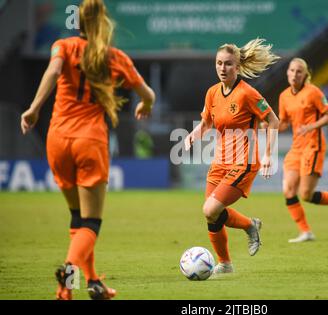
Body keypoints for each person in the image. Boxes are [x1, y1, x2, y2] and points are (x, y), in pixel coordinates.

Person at [20, 0, 155, 299]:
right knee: (91, 223)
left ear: (78, 23)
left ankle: (87, 284)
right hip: (90, 141)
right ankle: (69, 269)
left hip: (57, 139)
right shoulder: (115, 57)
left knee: (77, 219)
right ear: (103, 23)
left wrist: (33, 109)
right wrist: (146, 104)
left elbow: (54, 71)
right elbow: (147, 93)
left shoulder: (63, 46)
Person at [185, 38, 280, 274]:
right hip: (220, 161)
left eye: (228, 64)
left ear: (237, 67)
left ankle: (249, 226)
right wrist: (193, 135)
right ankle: (225, 264)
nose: (222, 68)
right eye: (219, 63)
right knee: (211, 215)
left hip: (244, 162)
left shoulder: (247, 93)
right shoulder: (212, 93)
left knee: (210, 209)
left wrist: (268, 154)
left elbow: (273, 120)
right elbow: (207, 122)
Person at [278, 58, 328, 243]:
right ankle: (305, 231)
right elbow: (284, 123)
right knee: (288, 190)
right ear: (287, 72)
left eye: (299, 71)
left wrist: (312, 126)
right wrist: (268, 125)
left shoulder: (313, 92)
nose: (295, 74)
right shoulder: (284, 96)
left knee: (306, 194)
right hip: (296, 147)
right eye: (292, 70)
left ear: (305, 75)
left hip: (313, 145)